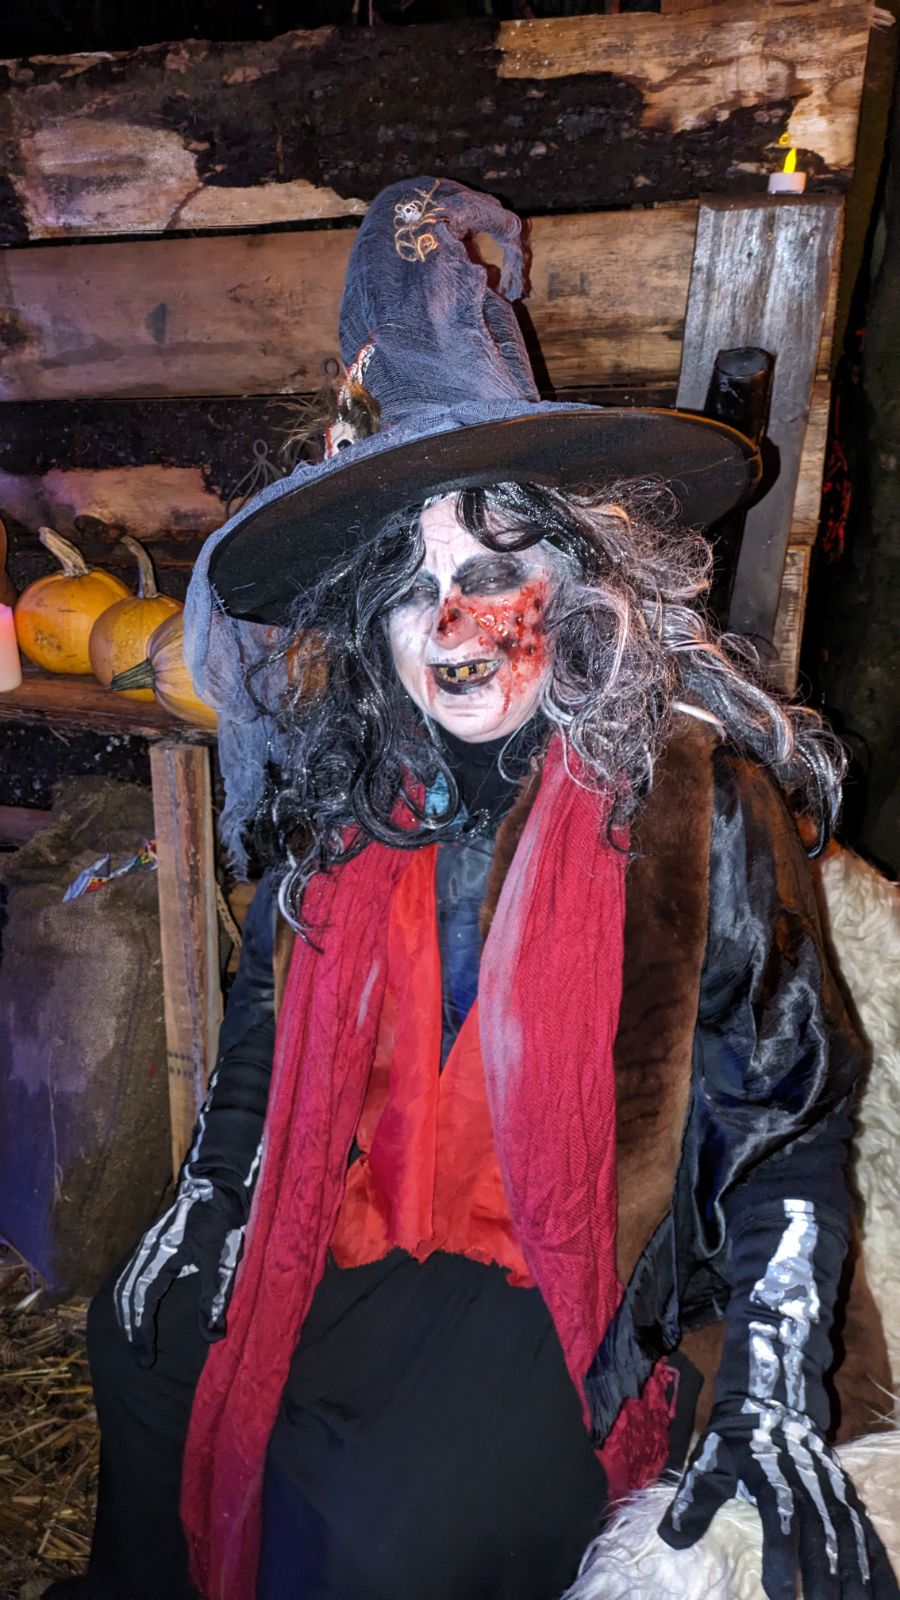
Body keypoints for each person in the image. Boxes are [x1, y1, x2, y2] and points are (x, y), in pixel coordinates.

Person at [46, 176, 897, 1600]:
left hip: (581, 1279)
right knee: (141, 1354)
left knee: (388, 1529)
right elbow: (260, 1042)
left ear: (585, 581)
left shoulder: (692, 801)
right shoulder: (350, 789)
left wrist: (770, 1384)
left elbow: (787, 1128)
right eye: (408, 583)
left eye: (495, 567)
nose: (449, 622)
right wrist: (207, 1200)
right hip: (351, 1215)